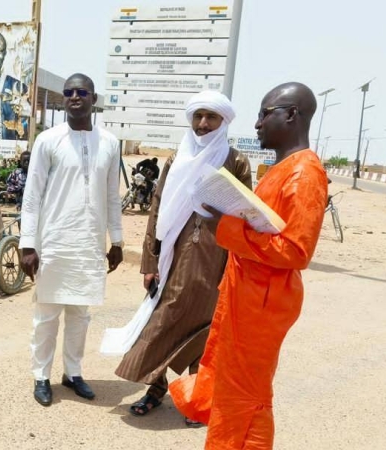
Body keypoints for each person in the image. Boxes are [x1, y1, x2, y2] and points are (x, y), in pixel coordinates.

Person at [169, 82, 329, 449]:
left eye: (264, 114)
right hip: (246, 296)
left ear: (291, 115)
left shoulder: (304, 173)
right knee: (229, 388)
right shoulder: (282, 168)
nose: (257, 124)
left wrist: (223, 227)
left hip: (263, 304)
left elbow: (296, 251)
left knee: (246, 396)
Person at [113, 92, 252, 424]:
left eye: (211, 117)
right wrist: (150, 262)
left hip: (216, 261)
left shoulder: (236, 162)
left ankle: (198, 399)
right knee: (161, 323)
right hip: (172, 258)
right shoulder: (178, 158)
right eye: (198, 116)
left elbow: (247, 214)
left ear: (223, 121)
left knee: (207, 331)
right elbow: (157, 209)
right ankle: (156, 388)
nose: (203, 124)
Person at [19, 73, 123, 407]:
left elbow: (112, 196)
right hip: (54, 241)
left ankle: (73, 373)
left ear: (94, 99)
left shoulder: (110, 143)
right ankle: (41, 375)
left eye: (82, 92)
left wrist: (117, 240)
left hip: (89, 243)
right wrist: (27, 244)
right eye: (68, 92)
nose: (74, 97)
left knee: (80, 315)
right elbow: (32, 195)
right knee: (46, 316)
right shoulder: (48, 140)